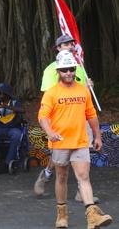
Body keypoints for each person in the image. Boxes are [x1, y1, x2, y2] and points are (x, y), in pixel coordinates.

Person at [38, 50, 112, 229]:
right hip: (60, 142)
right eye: (65, 70)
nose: (69, 73)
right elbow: (42, 116)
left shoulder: (83, 90)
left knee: (83, 177)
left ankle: (92, 216)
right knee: (62, 177)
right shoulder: (51, 93)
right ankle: (61, 214)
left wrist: (97, 136)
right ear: (58, 71)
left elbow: (91, 114)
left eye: (71, 69)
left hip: (80, 141)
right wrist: (50, 132)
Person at [34, 34, 95, 201]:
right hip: (60, 119)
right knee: (60, 159)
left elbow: (83, 93)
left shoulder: (79, 67)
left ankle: (82, 191)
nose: (70, 46)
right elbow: (49, 95)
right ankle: (46, 175)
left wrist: (88, 87)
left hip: (80, 118)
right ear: (58, 48)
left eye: (72, 43)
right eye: (66, 44)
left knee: (83, 154)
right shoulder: (50, 69)